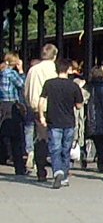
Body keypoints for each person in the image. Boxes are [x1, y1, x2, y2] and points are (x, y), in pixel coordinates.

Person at [38, 58, 83, 189]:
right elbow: (79, 106)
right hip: (69, 122)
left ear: (56, 69)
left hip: (54, 121)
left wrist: (42, 116)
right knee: (66, 149)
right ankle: (64, 176)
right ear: (68, 70)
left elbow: (41, 101)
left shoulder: (49, 84)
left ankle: (57, 171)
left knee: (55, 149)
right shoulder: (73, 86)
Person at [24, 43, 58, 182]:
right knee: (57, 138)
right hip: (54, 108)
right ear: (54, 56)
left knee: (41, 138)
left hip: (37, 109)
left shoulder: (33, 70)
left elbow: (26, 90)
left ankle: (41, 170)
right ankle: (59, 170)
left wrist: (30, 104)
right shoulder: (54, 70)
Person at [0, 52, 27, 177]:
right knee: (16, 138)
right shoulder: (12, 73)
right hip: (11, 105)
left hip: (1, 105)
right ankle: (19, 168)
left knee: (3, 135)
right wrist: (21, 70)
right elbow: (22, 85)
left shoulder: (1, 72)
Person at [84, 66, 103, 172]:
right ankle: (101, 158)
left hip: (93, 116)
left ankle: (100, 159)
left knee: (97, 139)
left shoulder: (89, 86)